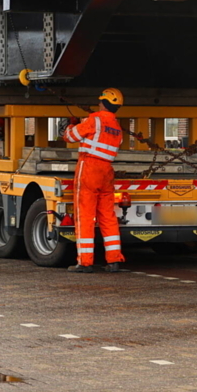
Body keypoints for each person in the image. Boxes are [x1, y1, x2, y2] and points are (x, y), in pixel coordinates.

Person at [62, 87, 126, 273]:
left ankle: (85, 262)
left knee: (85, 217)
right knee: (108, 216)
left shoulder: (94, 120)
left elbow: (70, 137)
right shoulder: (117, 127)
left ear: (103, 103)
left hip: (89, 168)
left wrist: (70, 125)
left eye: (100, 101)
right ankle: (114, 260)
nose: (98, 104)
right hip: (107, 171)